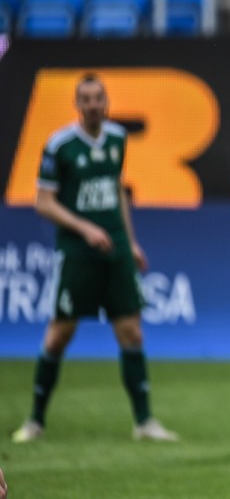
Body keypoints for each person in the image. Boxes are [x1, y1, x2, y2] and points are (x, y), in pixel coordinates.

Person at [12, 73, 178, 443]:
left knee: (131, 331)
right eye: (85, 99)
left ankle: (144, 422)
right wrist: (85, 228)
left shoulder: (118, 138)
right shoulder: (60, 145)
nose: (93, 104)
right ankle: (35, 421)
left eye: (98, 98)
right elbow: (43, 202)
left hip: (115, 248)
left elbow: (117, 190)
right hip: (77, 253)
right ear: (76, 104)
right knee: (58, 335)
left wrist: (130, 242)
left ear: (107, 102)